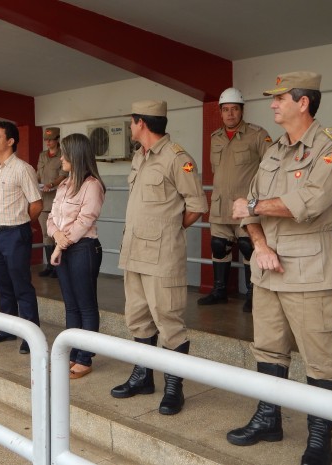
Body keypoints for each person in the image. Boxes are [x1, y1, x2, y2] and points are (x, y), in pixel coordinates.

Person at [229, 71, 332, 465]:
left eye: (280, 98)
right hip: (267, 266)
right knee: (268, 348)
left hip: (309, 269)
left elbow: (309, 203)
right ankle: (268, 419)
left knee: (320, 358)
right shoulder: (274, 150)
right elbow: (245, 209)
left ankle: (320, 438)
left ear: (303, 102)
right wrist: (260, 244)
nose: (272, 104)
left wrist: (253, 207)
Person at [112, 100, 207, 415]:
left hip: (162, 255)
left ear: (141, 122)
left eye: (131, 121)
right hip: (134, 252)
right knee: (137, 318)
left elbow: (196, 205)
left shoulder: (177, 158)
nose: (130, 127)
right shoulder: (139, 156)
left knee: (169, 321)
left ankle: (173, 388)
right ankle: (142, 377)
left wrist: (170, 229)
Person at [197, 88, 272, 312]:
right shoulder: (215, 137)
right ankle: (219, 291)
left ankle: (253, 294)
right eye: (226, 110)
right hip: (221, 205)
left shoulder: (258, 135)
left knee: (249, 247)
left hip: (246, 206)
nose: (230, 114)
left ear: (242, 111)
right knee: (218, 246)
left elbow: (271, 168)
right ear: (220, 112)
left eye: (234, 109)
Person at [47, 133, 105, 379]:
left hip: (83, 249)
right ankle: (72, 353)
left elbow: (85, 220)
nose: (61, 158)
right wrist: (57, 237)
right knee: (71, 306)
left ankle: (85, 358)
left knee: (86, 305)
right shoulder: (63, 185)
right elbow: (51, 218)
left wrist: (60, 245)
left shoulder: (92, 185)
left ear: (77, 155)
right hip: (65, 247)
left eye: (65, 154)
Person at [0, 121, 42, 355]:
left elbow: (36, 203)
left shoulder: (22, 169)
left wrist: (23, 223)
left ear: (10, 141)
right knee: (2, 284)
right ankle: (7, 329)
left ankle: (31, 336)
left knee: (21, 285)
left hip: (16, 232)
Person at [37, 127, 67, 278]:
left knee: (58, 234)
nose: (48, 142)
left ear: (57, 140)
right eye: (46, 140)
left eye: (51, 139)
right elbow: (38, 174)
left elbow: (63, 175)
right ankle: (50, 265)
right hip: (44, 201)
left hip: (57, 201)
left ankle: (58, 267)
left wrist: (52, 184)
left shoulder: (63, 155)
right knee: (45, 234)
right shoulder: (42, 155)